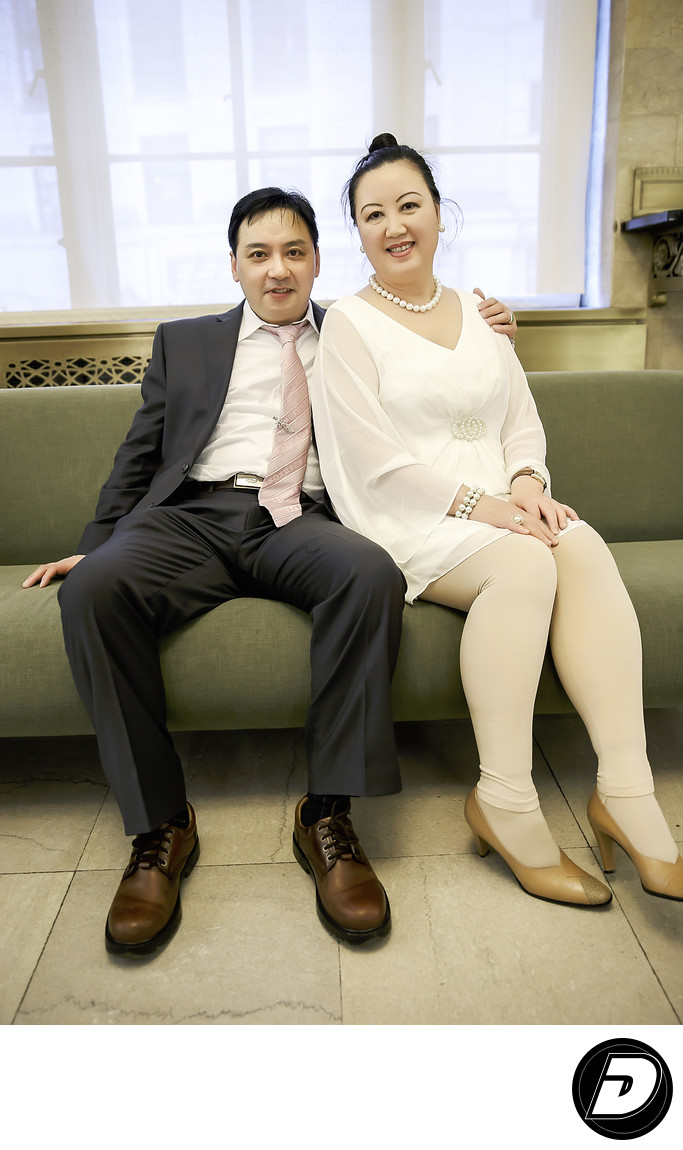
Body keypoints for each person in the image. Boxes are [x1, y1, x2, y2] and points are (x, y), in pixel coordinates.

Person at [22, 185, 519, 955]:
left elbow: (448, 379)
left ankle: (326, 815)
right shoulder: (184, 341)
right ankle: (160, 827)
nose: (277, 271)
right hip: (193, 515)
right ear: (235, 266)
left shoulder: (361, 331)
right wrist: (97, 540)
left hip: (307, 519)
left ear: (318, 260)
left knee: (368, 575)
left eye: (294, 252)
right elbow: (140, 455)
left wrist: (495, 334)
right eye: (258, 254)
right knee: (92, 589)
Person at [310, 134, 683, 908]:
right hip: (408, 514)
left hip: (498, 502)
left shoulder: (481, 312)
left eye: (408, 205)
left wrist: (525, 483)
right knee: (525, 561)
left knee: (578, 544)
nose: (393, 225)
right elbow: (369, 458)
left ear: (440, 213)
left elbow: (519, 418)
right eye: (372, 213)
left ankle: (626, 791)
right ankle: (505, 802)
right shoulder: (346, 323)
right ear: (358, 232)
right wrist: (489, 508)